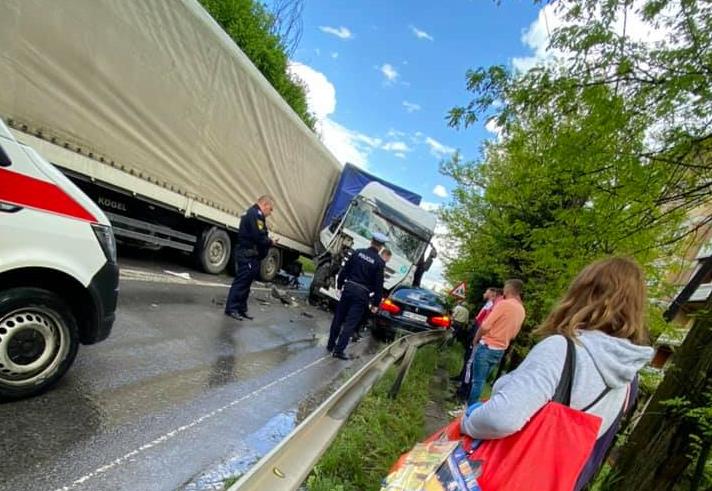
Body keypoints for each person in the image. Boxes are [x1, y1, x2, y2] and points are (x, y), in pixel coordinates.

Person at [461, 257, 654, 489]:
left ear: (584, 293)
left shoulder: (563, 349)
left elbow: (500, 418)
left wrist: (468, 422)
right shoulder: (629, 378)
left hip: (510, 477)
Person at [327, 232, 386, 360]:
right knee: (350, 323)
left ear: (371, 241)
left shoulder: (358, 252)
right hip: (362, 294)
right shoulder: (379, 263)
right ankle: (338, 350)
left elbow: (345, 270)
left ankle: (330, 345)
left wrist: (339, 285)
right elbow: (378, 285)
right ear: (381, 247)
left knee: (338, 317)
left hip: (348, 288)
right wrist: (376, 304)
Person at [467, 279, 525, 405]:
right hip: (500, 350)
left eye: (504, 288)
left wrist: (476, 338)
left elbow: (486, 325)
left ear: (509, 289)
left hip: (487, 346)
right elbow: (514, 334)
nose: (503, 290)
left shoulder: (504, 304)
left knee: (477, 381)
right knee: (482, 381)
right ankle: (474, 409)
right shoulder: (521, 310)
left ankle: (468, 411)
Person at [224, 195, 276, 321]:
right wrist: (270, 242)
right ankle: (232, 308)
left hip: (251, 255)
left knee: (246, 284)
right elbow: (259, 236)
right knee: (241, 283)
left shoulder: (252, 213)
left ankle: (241, 308)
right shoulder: (255, 214)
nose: (270, 213)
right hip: (247, 254)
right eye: (270, 209)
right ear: (264, 204)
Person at [454, 288, 502, 400]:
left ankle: (463, 394)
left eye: (487, 292)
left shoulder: (493, 305)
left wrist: (476, 336)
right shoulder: (492, 304)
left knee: (471, 365)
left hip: (481, 336)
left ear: (493, 294)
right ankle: (463, 388)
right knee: (470, 364)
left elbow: (484, 322)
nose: (484, 293)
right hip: (481, 335)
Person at [352, 247, 393, 343]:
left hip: (358, 288)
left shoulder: (372, 259)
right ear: (385, 256)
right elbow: (379, 284)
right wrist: (376, 302)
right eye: (388, 258)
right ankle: (354, 332)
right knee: (363, 314)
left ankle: (354, 332)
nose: (388, 261)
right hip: (368, 293)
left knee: (357, 313)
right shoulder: (380, 264)